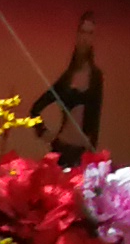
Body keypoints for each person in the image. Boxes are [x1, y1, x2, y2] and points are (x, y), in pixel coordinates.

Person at [37, 15, 105, 163]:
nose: (85, 38)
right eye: (83, 32)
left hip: (81, 152)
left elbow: (95, 117)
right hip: (61, 148)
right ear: (77, 34)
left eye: (90, 33)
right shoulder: (67, 78)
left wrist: (92, 152)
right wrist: (44, 132)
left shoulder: (95, 77)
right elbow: (36, 109)